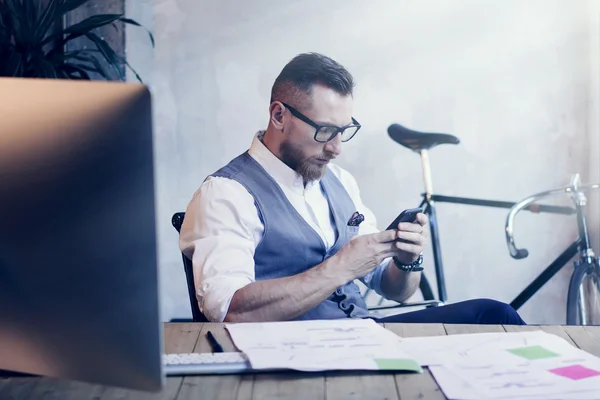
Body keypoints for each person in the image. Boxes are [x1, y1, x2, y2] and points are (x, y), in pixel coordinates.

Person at [179, 52, 526, 325]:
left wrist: (407, 260)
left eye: (344, 130)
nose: (336, 148)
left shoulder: (340, 182)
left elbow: (397, 291)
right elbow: (227, 312)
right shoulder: (226, 193)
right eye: (325, 130)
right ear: (279, 116)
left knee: (494, 315)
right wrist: (343, 266)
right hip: (296, 356)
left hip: (363, 337)